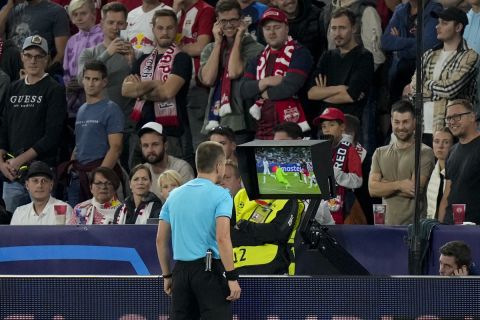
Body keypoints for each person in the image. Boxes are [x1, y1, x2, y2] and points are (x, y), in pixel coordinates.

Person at [156, 141, 241, 319]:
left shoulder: (174, 195)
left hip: (180, 273)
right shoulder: (222, 195)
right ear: (219, 165)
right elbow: (223, 237)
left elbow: (161, 240)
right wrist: (232, 277)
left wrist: (167, 275)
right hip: (208, 272)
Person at [0, 35, 67, 213]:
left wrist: (18, 161)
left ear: (47, 59)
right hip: (12, 175)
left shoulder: (54, 89)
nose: (33, 60)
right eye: (28, 55)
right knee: (12, 230)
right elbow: (3, 126)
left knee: (42, 227)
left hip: (41, 173)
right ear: (21, 57)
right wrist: (2, 162)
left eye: (38, 56)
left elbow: (52, 136)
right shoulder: (13, 88)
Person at [122, 9, 193, 164]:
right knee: (137, 183)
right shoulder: (142, 60)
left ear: (176, 29)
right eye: (160, 28)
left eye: (170, 28)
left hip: (171, 134)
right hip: (141, 133)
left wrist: (140, 90)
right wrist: (154, 83)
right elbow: (126, 90)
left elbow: (167, 92)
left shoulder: (182, 59)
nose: (165, 32)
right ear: (153, 29)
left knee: (172, 184)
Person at [406, 7, 479, 142]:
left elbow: (450, 89)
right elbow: (415, 88)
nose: (437, 26)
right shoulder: (429, 54)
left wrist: (426, 83)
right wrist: (438, 91)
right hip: (422, 127)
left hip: (450, 130)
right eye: (438, 22)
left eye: (444, 23)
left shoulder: (470, 56)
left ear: (458, 27)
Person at [240, 7, 312, 139]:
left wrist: (264, 93)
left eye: (276, 27)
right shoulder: (258, 58)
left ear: (287, 28)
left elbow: (289, 87)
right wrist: (265, 82)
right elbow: (244, 89)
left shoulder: (300, 53)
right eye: (267, 28)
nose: (272, 32)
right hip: (263, 130)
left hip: (293, 132)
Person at [78, 2, 135, 161]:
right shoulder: (89, 53)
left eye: (120, 23)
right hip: (96, 125)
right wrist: (108, 53)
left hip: (127, 126)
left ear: (126, 25)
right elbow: (79, 79)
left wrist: (133, 64)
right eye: (110, 22)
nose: (115, 27)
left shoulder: (134, 53)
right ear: (102, 24)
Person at [200, 0, 264, 140]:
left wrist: (239, 38)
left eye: (233, 20)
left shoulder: (255, 48)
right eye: (224, 21)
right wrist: (217, 43)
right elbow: (208, 79)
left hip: (243, 121)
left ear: (241, 20)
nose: (228, 25)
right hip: (215, 120)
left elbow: (234, 71)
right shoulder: (210, 49)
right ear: (217, 22)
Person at [64, 60, 124, 207]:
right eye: (88, 78)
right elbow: (79, 143)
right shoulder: (81, 110)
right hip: (79, 176)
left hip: (103, 178)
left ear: (104, 82)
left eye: (95, 79)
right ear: (82, 80)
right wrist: (71, 164)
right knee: (76, 224)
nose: (91, 83)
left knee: (107, 222)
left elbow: (116, 147)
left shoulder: (111, 109)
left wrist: (99, 178)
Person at [369, 100, 435, 225]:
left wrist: (383, 184)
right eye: (397, 122)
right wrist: (399, 185)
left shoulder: (424, 152)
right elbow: (372, 189)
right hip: (386, 228)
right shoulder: (379, 153)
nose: (401, 127)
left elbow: (414, 189)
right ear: (391, 121)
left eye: (405, 122)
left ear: (414, 122)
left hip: (415, 229)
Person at [308, 8, 374, 122]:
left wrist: (323, 94)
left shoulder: (364, 56)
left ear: (354, 28)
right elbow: (311, 93)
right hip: (325, 123)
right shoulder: (327, 56)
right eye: (334, 28)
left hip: (350, 123)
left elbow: (350, 96)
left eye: (342, 28)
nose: (337, 34)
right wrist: (340, 88)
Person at [380, 0, 441, 103]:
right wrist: (415, 42)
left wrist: (399, 49)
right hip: (400, 73)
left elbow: (427, 47)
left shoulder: (434, 9)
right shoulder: (400, 10)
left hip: (424, 72)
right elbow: (385, 41)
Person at [174, 0, 216, 151]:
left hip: (198, 86)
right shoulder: (178, 13)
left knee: (200, 143)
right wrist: (174, 10)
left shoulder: (205, 10)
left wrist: (178, 49)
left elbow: (201, 47)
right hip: (177, 87)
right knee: (183, 144)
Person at [313, 107, 363, 224]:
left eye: (331, 125)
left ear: (342, 127)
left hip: (343, 209)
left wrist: (334, 173)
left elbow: (357, 181)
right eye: (324, 126)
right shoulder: (319, 149)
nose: (327, 129)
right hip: (319, 209)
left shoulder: (349, 150)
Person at [0, 0, 70, 78]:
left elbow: (62, 53)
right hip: (9, 68)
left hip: (37, 69)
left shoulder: (56, 11)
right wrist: (9, 6)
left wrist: (43, 76)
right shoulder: (9, 9)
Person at [438, 100, 480, 224]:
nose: (451, 122)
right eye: (448, 118)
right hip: (450, 226)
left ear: (472, 116)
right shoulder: (452, 151)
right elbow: (447, 194)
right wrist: (441, 226)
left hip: (474, 227)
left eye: (456, 117)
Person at [63, 0, 104, 119]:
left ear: (93, 14)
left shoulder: (102, 36)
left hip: (97, 95)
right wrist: (69, 84)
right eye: (75, 15)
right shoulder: (71, 41)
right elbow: (66, 67)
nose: (79, 18)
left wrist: (84, 82)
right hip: (74, 100)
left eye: (83, 13)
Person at [139, 122, 194, 200]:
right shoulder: (142, 171)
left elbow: (189, 202)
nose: (150, 150)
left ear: (165, 146)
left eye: (155, 144)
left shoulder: (181, 168)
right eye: (145, 146)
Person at [271, 0, 327, 65]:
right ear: (273, 1)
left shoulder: (319, 15)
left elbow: (326, 50)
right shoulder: (268, 24)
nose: (289, 1)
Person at [426, 128, 454, 220]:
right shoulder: (431, 171)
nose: (440, 146)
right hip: (432, 224)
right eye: (436, 141)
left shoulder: (456, 171)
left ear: (453, 145)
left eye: (446, 142)